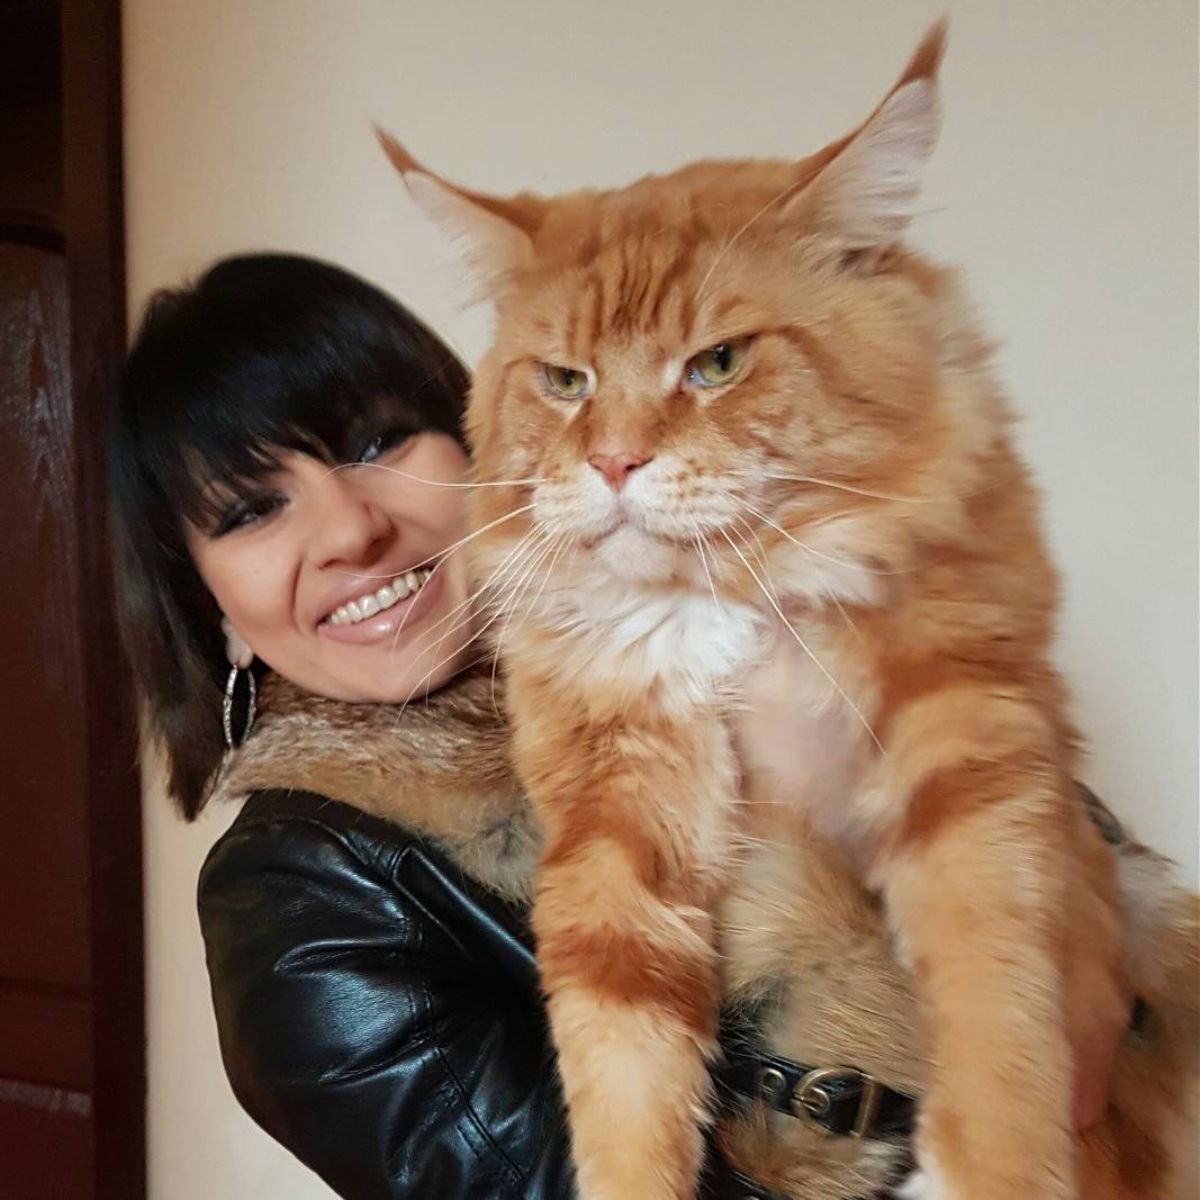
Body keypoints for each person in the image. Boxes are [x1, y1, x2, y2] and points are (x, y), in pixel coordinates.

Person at [112, 254, 1144, 1200]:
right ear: (204, 605)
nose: (350, 529)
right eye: (251, 511)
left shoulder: (743, 599)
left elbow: (1105, 952)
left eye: (379, 441)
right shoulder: (299, 901)